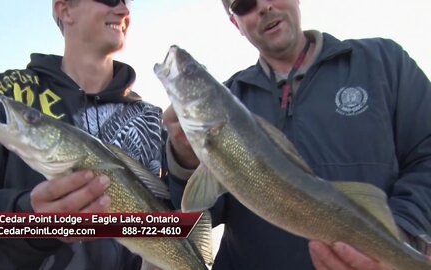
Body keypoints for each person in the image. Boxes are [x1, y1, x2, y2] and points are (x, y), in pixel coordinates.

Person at [164, 0, 431, 269]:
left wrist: (400, 236)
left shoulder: (384, 62)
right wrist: (185, 160)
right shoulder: (231, 97)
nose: (264, 7)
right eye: (244, 4)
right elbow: (192, 219)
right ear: (236, 24)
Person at [0, 0, 166, 269]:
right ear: (64, 9)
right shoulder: (1, 96)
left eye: (127, 1)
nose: (124, 10)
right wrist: (25, 220)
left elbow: (183, 217)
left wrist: (185, 163)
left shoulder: (151, 120)